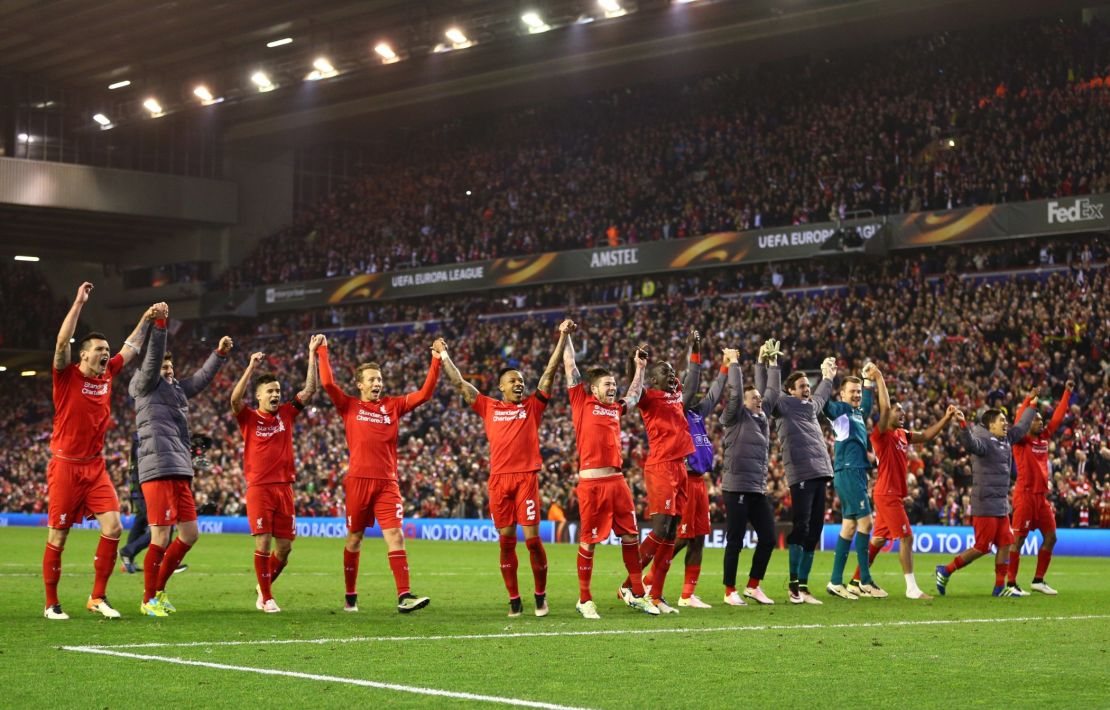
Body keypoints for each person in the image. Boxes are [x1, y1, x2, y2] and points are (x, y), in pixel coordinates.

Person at [438, 320, 574, 617]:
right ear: (501, 387)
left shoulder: (533, 407)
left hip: (526, 478)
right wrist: (443, 356)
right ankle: (514, 599)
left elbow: (549, 372)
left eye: (521, 380)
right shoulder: (487, 406)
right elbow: (459, 383)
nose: (519, 384)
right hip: (499, 481)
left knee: (534, 541)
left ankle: (540, 596)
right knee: (506, 543)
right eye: (513, 381)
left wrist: (562, 336)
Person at [43, 282, 158, 620]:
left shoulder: (108, 373)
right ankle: (51, 603)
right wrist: (78, 302)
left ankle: (97, 597)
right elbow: (62, 341)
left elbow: (132, 346)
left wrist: (146, 318)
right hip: (65, 466)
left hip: (94, 468)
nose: (105, 353)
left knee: (113, 526)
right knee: (59, 536)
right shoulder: (65, 377)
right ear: (83, 355)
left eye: (107, 349)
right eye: (98, 349)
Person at [317, 335, 439, 613]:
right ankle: (350, 595)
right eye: (371, 380)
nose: (377, 383)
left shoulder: (392, 406)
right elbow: (327, 383)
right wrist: (323, 350)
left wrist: (436, 360)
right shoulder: (348, 405)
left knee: (396, 535)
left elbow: (425, 394)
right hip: (358, 482)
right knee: (354, 539)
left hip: (387, 483)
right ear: (360, 384)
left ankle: (404, 595)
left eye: (379, 379)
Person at [129, 307, 231, 617]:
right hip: (157, 467)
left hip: (180, 468)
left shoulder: (174, 391)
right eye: (164, 368)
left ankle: (158, 591)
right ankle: (149, 599)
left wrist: (218, 354)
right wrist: (160, 325)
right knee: (161, 535)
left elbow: (199, 380)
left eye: (172, 368)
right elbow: (152, 359)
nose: (169, 372)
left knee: (189, 534)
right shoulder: (145, 384)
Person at [564, 333, 657, 619]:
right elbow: (569, 365)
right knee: (588, 541)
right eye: (608, 384)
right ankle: (584, 599)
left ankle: (637, 593)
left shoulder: (615, 409)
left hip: (617, 482)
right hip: (592, 483)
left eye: (614, 384)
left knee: (630, 535)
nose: (613, 388)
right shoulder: (581, 401)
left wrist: (639, 369)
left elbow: (634, 395)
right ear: (593, 389)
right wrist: (566, 335)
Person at [230, 338, 321, 613]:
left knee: (284, 550)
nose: (275, 395)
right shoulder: (248, 417)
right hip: (260, 488)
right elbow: (234, 399)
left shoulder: (286, 413)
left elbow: (310, 390)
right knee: (263, 541)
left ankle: (263, 585)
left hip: (285, 489)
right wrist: (249, 368)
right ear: (258, 396)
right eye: (270, 391)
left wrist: (311, 353)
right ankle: (267, 597)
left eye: (278, 391)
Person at [855, 366, 956, 599]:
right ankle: (912, 589)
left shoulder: (902, 434)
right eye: (897, 411)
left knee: (879, 540)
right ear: (887, 415)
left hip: (892, 494)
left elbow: (927, 436)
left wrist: (946, 417)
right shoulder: (881, 435)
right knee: (907, 537)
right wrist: (879, 378)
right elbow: (886, 407)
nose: (901, 413)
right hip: (887, 493)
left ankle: (856, 579)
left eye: (903, 411)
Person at [645, 333, 728, 608]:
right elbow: (691, 381)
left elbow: (711, 389)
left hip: (696, 480)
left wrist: (722, 365)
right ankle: (642, 583)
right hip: (678, 474)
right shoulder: (670, 405)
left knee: (695, 538)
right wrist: (692, 351)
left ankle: (684, 594)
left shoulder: (696, 412)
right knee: (676, 536)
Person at [621, 332, 698, 614]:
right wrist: (636, 364)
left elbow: (686, 371)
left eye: (671, 371)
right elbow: (634, 388)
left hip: (680, 467)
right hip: (661, 466)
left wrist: (692, 345)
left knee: (672, 533)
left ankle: (656, 595)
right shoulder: (648, 397)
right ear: (653, 380)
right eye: (665, 372)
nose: (672, 375)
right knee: (661, 529)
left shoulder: (675, 395)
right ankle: (629, 585)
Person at [935, 392, 1037, 597]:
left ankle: (999, 587)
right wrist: (963, 426)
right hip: (984, 502)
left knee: (1006, 543)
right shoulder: (983, 441)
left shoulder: (1006, 438)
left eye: (1006, 420)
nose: (1006, 424)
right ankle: (945, 570)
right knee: (982, 547)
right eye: (1001, 421)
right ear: (991, 425)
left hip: (1000, 503)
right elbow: (970, 444)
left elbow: (1022, 427)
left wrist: (1031, 406)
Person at [768, 345, 837, 604]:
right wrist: (773, 364)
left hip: (821, 471)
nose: (807, 389)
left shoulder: (809, 407)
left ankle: (804, 587)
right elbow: (771, 394)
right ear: (790, 390)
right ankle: (793, 585)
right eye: (801, 386)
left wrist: (828, 376)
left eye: (808, 385)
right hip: (801, 473)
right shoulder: (783, 405)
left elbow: (821, 396)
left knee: (815, 529)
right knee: (801, 526)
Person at [719, 339, 778, 606]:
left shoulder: (762, 418)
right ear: (743, 402)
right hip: (736, 486)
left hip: (757, 487)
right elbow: (736, 392)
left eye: (758, 398)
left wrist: (766, 363)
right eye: (753, 397)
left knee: (768, 537)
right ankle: (729, 589)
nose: (759, 399)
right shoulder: (735, 416)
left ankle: (753, 585)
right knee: (736, 540)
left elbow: (772, 392)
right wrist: (734, 364)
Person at [824, 366, 887, 600]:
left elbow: (868, 404)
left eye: (858, 392)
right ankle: (865, 581)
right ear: (842, 395)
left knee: (849, 527)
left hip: (857, 472)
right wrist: (826, 378)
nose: (857, 395)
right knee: (867, 523)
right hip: (849, 472)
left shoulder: (858, 413)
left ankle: (835, 581)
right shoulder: (840, 410)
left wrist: (869, 378)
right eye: (852, 392)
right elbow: (823, 404)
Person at [1007, 380, 1073, 595]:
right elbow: (1019, 419)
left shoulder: (1044, 438)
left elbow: (1057, 418)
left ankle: (1038, 580)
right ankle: (1011, 584)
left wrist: (1066, 393)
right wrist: (1030, 401)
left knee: (1051, 537)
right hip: (1024, 495)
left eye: (1041, 420)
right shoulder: (1021, 440)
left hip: (1041, 498)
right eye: (1036, 419)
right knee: (1018, 540)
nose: (1041, 422)